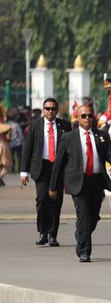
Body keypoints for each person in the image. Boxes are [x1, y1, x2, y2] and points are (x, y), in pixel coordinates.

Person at [49, 104, 111, 263]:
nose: (87, 118)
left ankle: (81, 235)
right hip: (77, 182)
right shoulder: (68, 138)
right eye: (83, 116)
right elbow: (58, 164)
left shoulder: (102, 136)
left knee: (92, 216)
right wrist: (53, 187)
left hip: (96, 181)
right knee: (83, 215)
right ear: (77, 117)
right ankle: (84, 251)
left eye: (89, 115)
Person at [20, 98, 71, 246]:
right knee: (42, 199)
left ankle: (53, 235)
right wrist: (24, 171)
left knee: (56, 201)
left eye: (53, 108)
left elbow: (70, 149)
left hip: (58, 168)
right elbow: (27, 148)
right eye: (47, 108)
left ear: (57, 110)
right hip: (41, 167)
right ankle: (43, 232)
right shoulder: (35, 125)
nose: (50, 111)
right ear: (43, 110)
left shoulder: (65, 126)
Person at [0, 107, 11, 187]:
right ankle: (0, 177)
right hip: (3, 146)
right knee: (6, 165)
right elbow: (8, 139)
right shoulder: (6, 128)